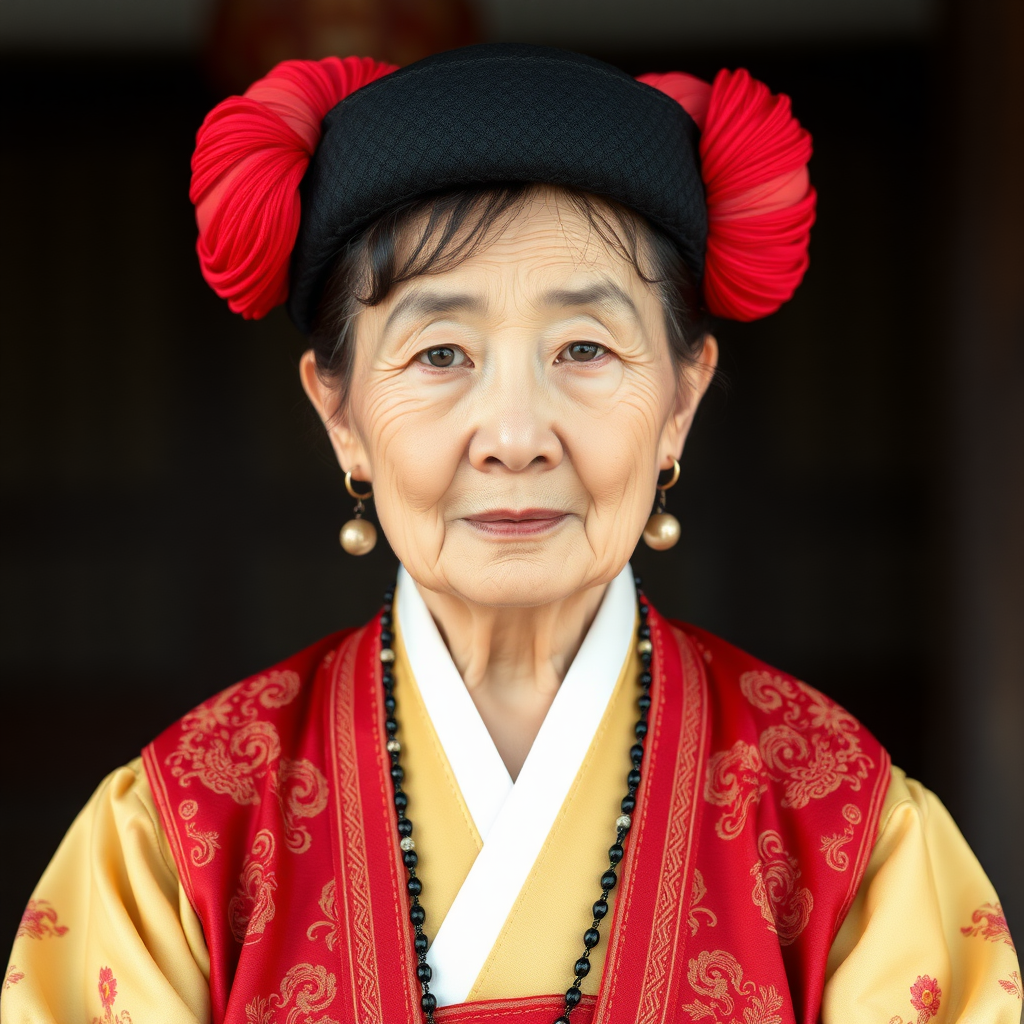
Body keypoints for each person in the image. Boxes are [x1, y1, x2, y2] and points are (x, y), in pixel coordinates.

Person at [2, 43, 1019, 1024]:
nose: (517, 436)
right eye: (441, 353)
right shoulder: (178, 836)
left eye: (583, 347)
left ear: (681, 398)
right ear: (339, 413)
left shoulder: (842, 826)